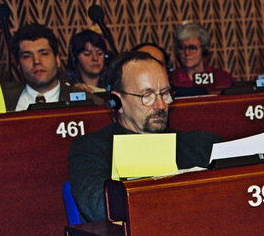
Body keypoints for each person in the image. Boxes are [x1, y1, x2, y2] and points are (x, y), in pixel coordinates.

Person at [68, 51, 223, 223]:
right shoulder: (91, 149)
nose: (161, 105)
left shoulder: (202, 145)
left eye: (164, 93)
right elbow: (100, 209)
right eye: (147, 96)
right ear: (117, 102)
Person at [2, 23, 104, 111]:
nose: (37, 61)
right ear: (18, 65)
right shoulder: (2, 101)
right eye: (27, 56)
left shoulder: (92, 103)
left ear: (57, 60)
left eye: (44, 54)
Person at [169, 21, 234, 93]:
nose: (187, 52)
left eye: (193, 48)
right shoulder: (171, 80)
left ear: (204, 50)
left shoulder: (222, 77)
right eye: (182, 48)